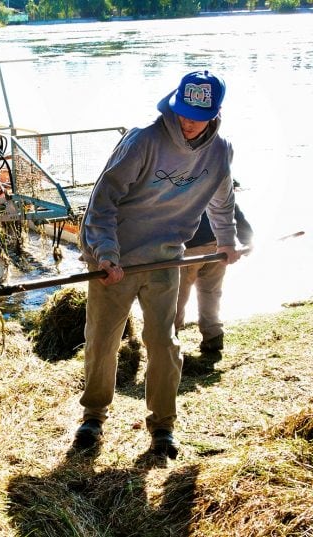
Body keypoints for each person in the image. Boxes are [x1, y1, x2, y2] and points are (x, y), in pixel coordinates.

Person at [76, 70, 243, 459]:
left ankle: (163, 425)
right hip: (114, 258)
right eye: (182, 112)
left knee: (164, 343)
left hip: (166, 257)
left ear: (215, 114)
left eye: (197, 116)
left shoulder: (220, 152)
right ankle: (93, 416)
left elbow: (222, 200)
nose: (187, 122)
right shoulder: (143, 141)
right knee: (103, 340)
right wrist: (105, 253)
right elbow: (102, 201)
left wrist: (227, 241)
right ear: (174, 103)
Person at [175, 199, 253, 352]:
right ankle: (213, 335)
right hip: (218, 244)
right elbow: (231, 205)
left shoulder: (179, 180)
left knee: (177, 294)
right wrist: (246, 238)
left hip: (189, 246)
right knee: (210, 291)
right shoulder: (216, 177)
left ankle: (170, 336)